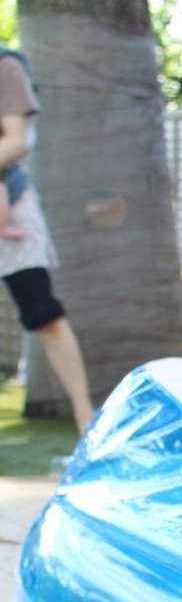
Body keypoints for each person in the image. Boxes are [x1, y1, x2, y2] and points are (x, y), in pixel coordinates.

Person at [0, 45, 93, 433]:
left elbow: (17, 139)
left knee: (43, 312)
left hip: (11, 202)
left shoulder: (5, 67)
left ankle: (84, 415)